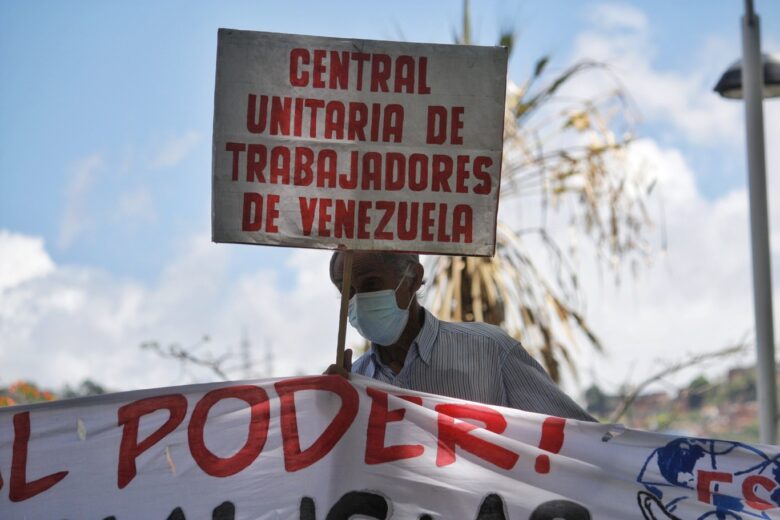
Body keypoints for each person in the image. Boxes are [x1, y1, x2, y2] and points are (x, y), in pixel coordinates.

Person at [326, 251, 595, 422]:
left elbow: (576, 438)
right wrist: (327, 408)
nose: (357, 300)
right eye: (346, 289)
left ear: (412, 279)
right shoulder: (353, 380)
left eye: (371, 284)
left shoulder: (489, 351)